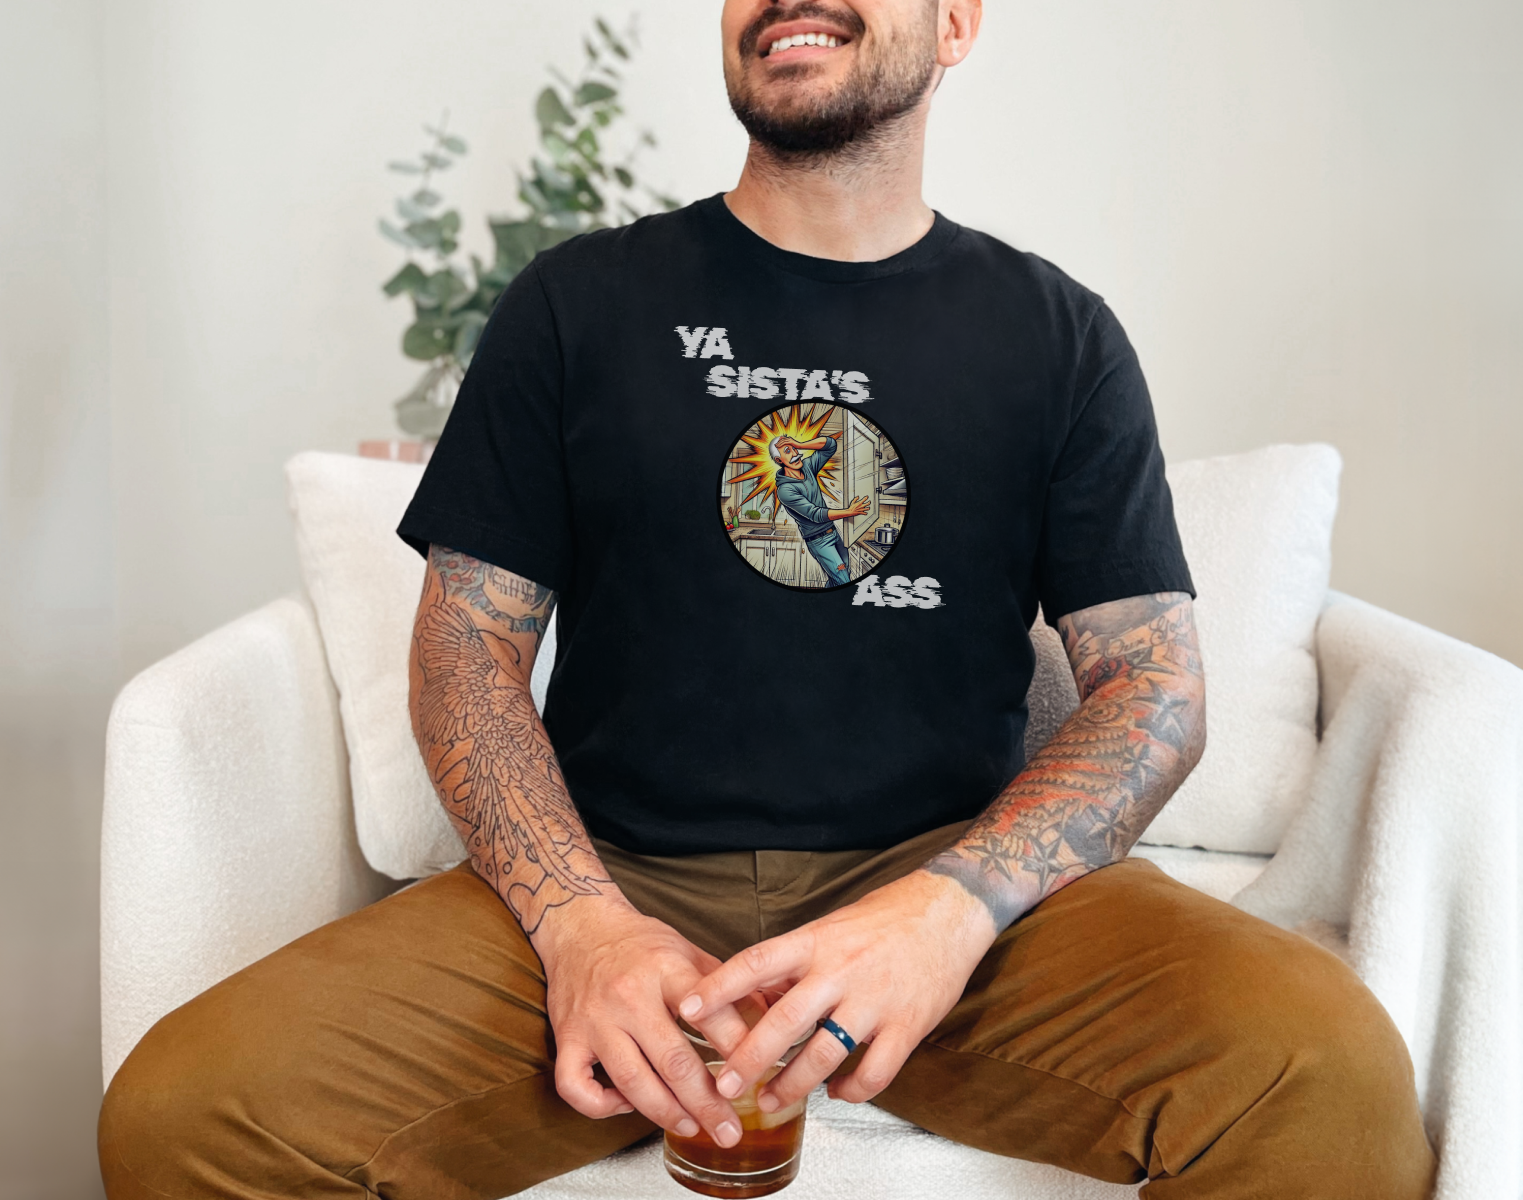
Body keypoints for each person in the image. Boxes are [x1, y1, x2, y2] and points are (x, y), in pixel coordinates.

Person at [98, 2, 1438, 1197]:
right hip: (613, 880)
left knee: (1329, 1079)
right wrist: (578, 929)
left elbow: (1154, 686)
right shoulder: (577, 307)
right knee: (185, 1116)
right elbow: (464, 650)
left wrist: (948, 912)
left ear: (957, 22)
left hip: (951, 906)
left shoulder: (1056, 335)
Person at [769, 433, 869, 586]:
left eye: (795, 448)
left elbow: (830, 445)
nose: (795, 454)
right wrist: (849, 511)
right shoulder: (785, 490)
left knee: (841, 576)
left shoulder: (808, 467)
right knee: (843, 580)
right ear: (778, 460)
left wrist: (801, 444)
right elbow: (816, 514)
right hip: (819, 542)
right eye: (788, 451)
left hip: (833, 532)